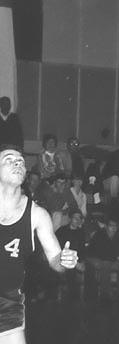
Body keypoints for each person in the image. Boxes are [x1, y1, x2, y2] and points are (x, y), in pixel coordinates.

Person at [0, 144, 78, 343]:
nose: (17, 163)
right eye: (9, 159)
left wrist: (65, 260)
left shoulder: (37, 214)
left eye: (20, 161)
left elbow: (55, 260)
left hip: (8, 302)